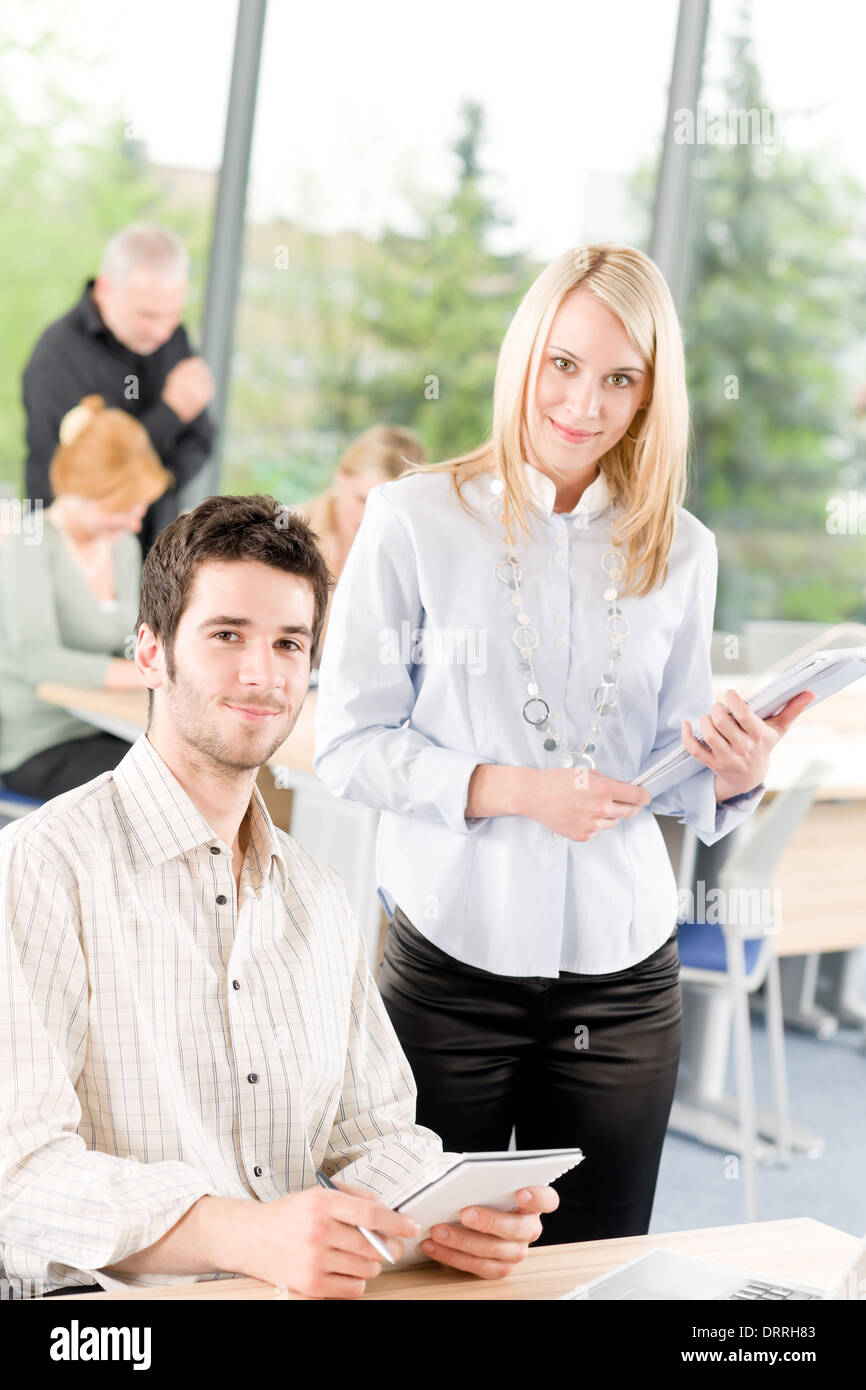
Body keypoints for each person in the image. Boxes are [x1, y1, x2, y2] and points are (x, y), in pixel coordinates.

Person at [313, 244, 816, 1247]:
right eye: (562, 364)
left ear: (649, 394)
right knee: (413, 1263)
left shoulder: (681, 548)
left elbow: (666, 772)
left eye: (619, 378)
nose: (583, 403)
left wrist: (732, 773)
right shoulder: (415, 519)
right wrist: (509, 788)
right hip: (451, 965)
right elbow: (347, 744)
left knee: (594, 1272)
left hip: (623, 982)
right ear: (524, 356)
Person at [0, 493, 557, 1299]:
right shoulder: (40, 870)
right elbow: (18, 1181)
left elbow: (373, 1137)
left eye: (289, 644)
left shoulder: (320, 897)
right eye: (227, 636)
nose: (262, 674)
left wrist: (445, 1214)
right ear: (152, 653)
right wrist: (248, 1233)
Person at [0, 395, 171, 800]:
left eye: (142, 509)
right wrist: (144, 673)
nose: (136, 521)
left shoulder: (122, 546)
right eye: (125, 508)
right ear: (84, 492)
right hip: (36, 742)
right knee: (154, 790)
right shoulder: (31, 544)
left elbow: (127, 642)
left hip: (103, 722)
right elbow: (40, 661)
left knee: (193, 770)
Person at [22, 223, 215, 554]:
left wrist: (155, 486)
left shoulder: (171, 335)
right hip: (73, 552)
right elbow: (82, 478)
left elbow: (200, 438)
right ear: (106, 289)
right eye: (148, 316)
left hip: (156, 546)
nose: (163, 331)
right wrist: (169, 414)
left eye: (174, 315)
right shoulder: (56, 357)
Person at [295, 424, 426, 660]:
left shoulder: (414, 559)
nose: (369, 516)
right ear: (341, 478)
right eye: (361, 499)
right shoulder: (290, 533)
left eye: (385, 508)